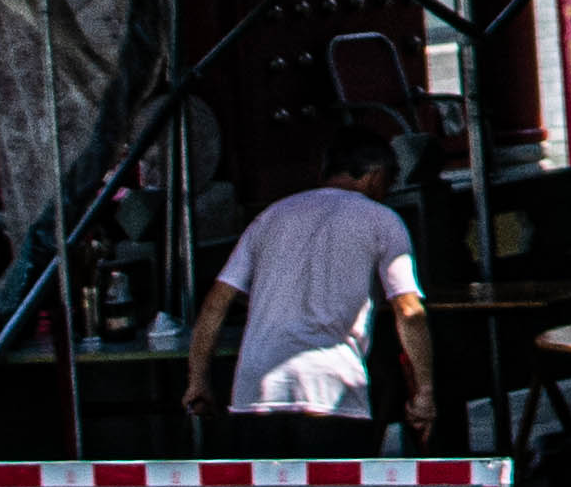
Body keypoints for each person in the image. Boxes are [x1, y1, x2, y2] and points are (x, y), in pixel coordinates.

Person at [185, 119, 434, 455]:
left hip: (257, 392)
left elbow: (215, 305)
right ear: (376, 175)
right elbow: (409, 310)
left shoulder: (271, 217)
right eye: (390, 180)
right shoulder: (382, 220)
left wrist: (198, 381)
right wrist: (425, 393)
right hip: (332, 393)